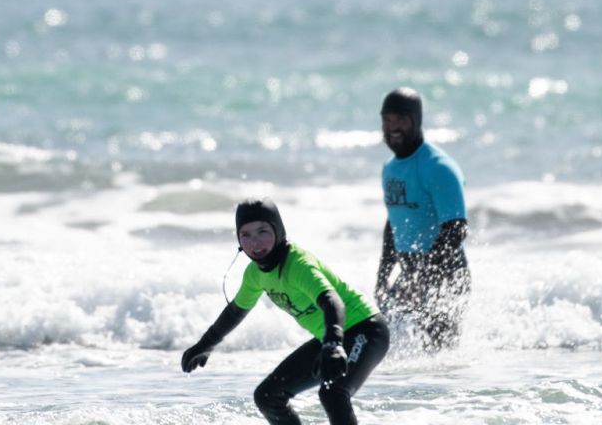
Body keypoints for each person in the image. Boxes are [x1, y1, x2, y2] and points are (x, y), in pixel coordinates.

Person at [182, 198, 390, 425]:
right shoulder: (254, 274)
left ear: (279, 230)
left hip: (365, 329)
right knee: (268, 396)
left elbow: (332, 301)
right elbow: (235, 312)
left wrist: (332, 343)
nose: (255, 242)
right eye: (246, 234)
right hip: (331, 339)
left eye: (263, 231)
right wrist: (205, 344)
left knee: (332, 393)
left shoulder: (298, 264)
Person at [375, 87, 470, 349]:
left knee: (441, 356)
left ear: (416, 120)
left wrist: (424, 277)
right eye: (387, 120)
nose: (393, 127)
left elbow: (456, 229)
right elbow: (393, 223)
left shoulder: (438, 167)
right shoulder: (389, 168)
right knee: (396, 352)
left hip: (446, 274)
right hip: (410, 274)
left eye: (401, 120)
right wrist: (383, 276)